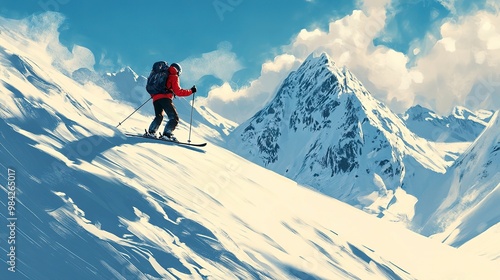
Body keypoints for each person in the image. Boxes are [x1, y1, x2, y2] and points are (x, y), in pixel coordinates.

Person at [145, 63, 197, 141]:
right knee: (174, 118)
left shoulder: (161, 73)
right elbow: (178, 92)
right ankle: (167, 134)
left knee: (159, 116)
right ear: (178, 70)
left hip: (155, 99)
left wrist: (157, 96)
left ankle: (151, 132)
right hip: (165, 98)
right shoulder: (173, 75)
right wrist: (191, 91)